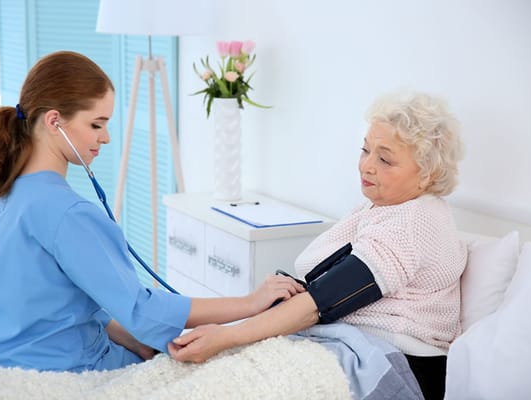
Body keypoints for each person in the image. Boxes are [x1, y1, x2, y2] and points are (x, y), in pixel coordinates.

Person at [0, 50, 305, 373]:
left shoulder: (7, 195)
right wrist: (252, 302)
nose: (105, 137)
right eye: (96, 124)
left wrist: (124, 333)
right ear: (54, 122)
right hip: (64, 369)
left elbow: (49, 299)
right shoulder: (68, 213)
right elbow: (142, 309)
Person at [168, 90, 466, 400]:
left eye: (385, 159)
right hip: (348, 340)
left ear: (427, 175)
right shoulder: (382, 207)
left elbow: (324, 301)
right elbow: (330, 288)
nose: (367, 166)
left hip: (398, 360)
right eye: (365, 150)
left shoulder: (414, 222)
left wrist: (225, 336)